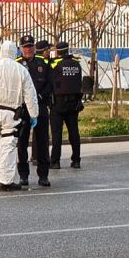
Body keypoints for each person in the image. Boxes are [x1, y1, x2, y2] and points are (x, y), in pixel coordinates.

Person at [0, 40, 39, 192]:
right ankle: (6, 180)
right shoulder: (21, 70)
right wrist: (34, 114)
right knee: (8, 146)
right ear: (15, 52)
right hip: (11, 113)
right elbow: (30, 95)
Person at [15, 36, 53, 187]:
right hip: (23, 108)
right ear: (20, 48)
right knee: (22, 142)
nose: (28, 49)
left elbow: (50, 83)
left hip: (40, 106)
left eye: (30, 46)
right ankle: (23, 175)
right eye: (25, 46)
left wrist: (41, 96)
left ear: (35, 47)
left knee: (42, 142)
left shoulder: (43, 63)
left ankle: (43, 175)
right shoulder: (16, 64)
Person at [49, 41, 83, 170]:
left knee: (57, 133)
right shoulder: (76, 64)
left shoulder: (55, 64)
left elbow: (51, 81)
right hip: (74, 103)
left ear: (57, 51)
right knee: (74, 132)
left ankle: (55, 161)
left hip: (58, 103)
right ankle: (76, 160)